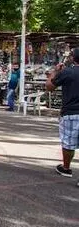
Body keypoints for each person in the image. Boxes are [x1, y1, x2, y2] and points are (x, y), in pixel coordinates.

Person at [46, 48, 79, 179]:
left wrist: (55, 71)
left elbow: (49, 87)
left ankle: (66, 168)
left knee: (68, 143)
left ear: (73, 58)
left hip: (71, 112)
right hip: (70, 112)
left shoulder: (67, 72)